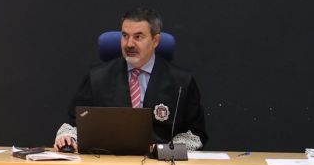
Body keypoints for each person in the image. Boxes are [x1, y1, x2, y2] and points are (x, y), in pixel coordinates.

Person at [54, 9, 207, 151]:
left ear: (155, 41)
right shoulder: (96, 78)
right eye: (125, 36)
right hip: (107, 161)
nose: (129, 44)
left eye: (138, 37)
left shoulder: (181, 82)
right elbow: (74, 124)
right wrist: (67, 137)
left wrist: (164, 150)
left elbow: (195, 133)